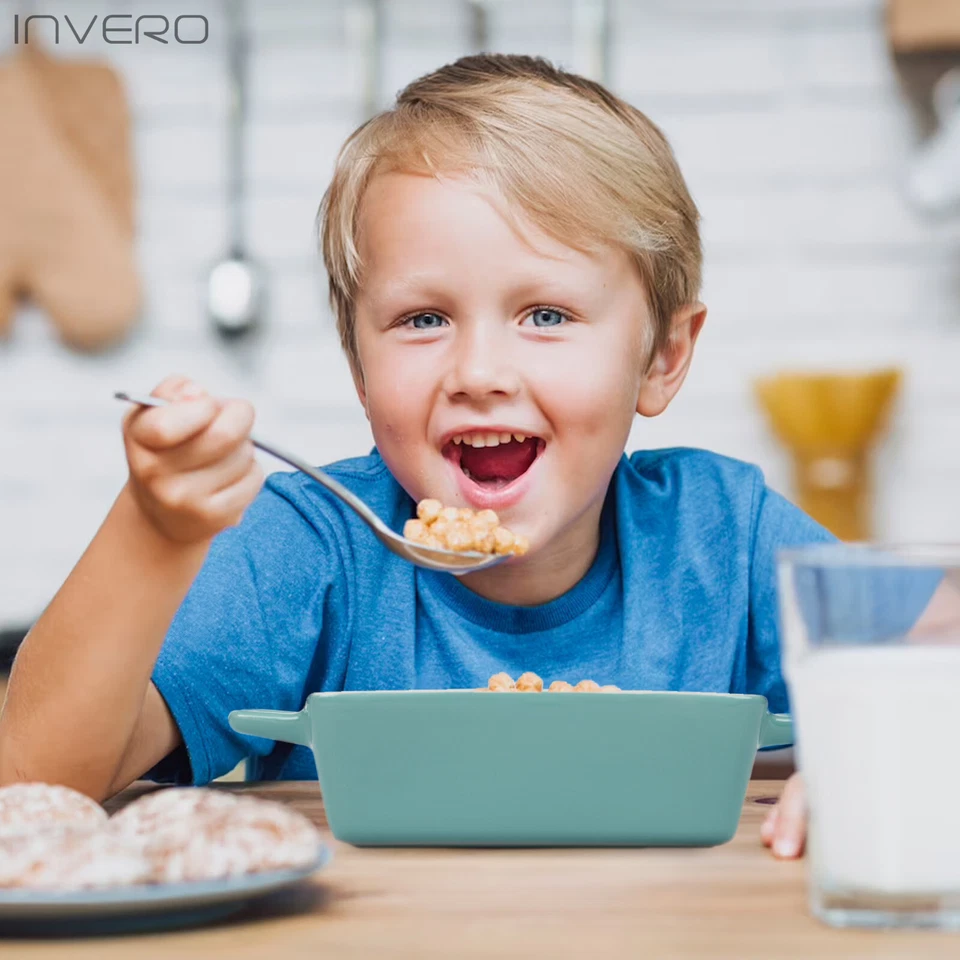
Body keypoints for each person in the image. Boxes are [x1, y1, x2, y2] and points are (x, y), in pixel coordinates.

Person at [0, 53, 828, 857]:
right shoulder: (309, 546)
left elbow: (930, 670)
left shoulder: (723, 534)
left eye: (545, 315)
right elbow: (30, 784)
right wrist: (154, 532)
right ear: (360, 367)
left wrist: (866, 755)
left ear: (662, 357)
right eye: (423, 319)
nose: (478, 374)